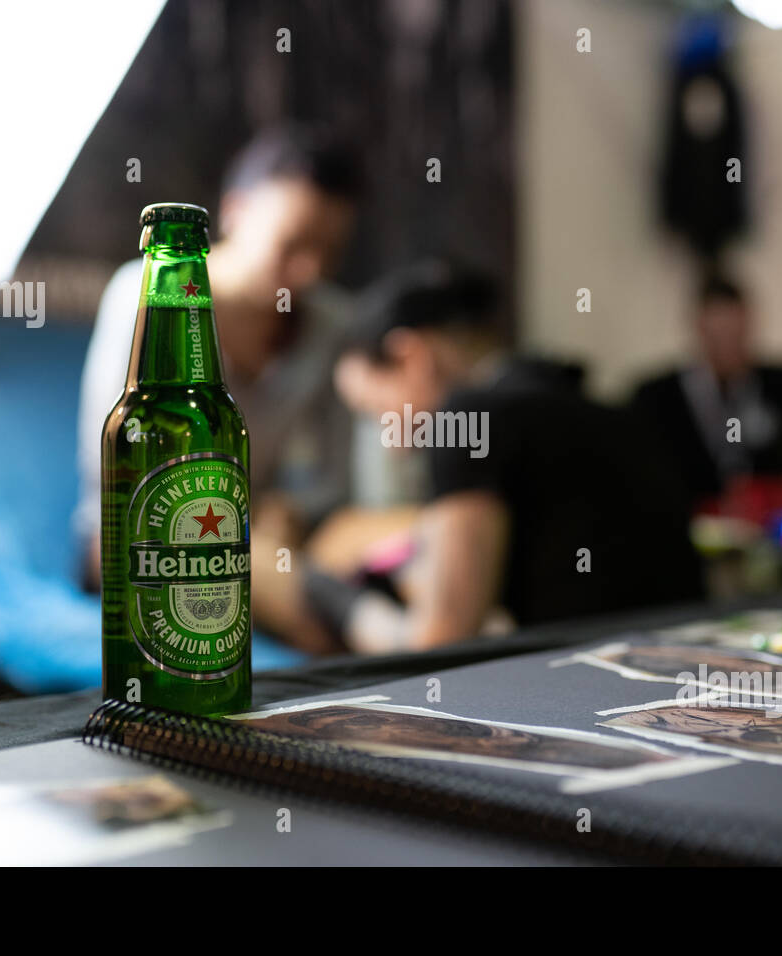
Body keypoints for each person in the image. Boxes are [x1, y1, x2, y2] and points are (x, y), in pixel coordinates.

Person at [302, 260, 703, 654]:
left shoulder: (465, 417)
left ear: (411, 357)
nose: (391, 444)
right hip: (684, 661)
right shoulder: (598, 408)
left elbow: (439, 643)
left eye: (377, 412)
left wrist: (335, 600)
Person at [75, 125, 362, 651]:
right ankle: (379, 645)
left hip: (276, 529)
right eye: (292, 244)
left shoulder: (332, 325)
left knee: (369, 535)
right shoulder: (145, 299)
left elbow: (334, 478)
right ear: (233, 212)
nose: (309, 271)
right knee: (236, 559)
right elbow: (118, 462)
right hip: (139, 530)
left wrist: (292, 512)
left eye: (330, 252)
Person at [629, 274, 782, 506]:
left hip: (768, 522)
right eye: (717, 336)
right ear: (699, 328)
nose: (727, 346)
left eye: (735, 335)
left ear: (749, 326)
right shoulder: (657, 399)